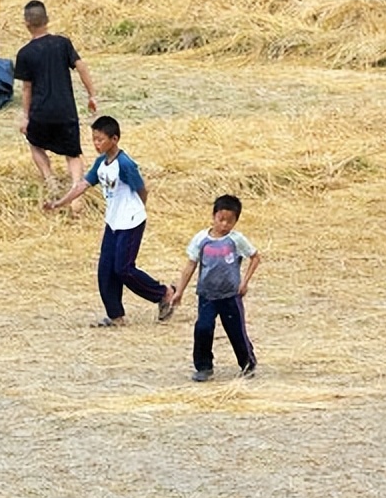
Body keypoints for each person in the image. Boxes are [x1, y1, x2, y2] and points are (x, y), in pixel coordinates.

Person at [45, 116, 177, 327]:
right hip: (113, 222)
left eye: (100, 140)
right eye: (94, 139)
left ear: (114, 139)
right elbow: (82, 185)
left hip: (131, 221)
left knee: (123, 268)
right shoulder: (101, 163)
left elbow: (142, 189)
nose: (96, 144)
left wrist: (137, 209)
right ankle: (115, 316)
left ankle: (163, 293)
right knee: (106, 269)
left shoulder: (124, 164)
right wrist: (59, 203)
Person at [13, 0, 98, 211]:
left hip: (40, 112)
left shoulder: (25, 53)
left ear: (26, 24)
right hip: (65, 111)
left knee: (34, 143)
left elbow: (26, 89)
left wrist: (26, 115)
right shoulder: (63, 43)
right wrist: (92, 95)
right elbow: (81, 67)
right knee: (73, 153)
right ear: (47, 20)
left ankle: (50, 182)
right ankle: (77, 192)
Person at [171, 194, 262, 382]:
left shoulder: (236, 240)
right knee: (203, 328)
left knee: (236, 331)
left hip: (230, 296)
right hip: (207, 295)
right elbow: (190, 265)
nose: (224, 225)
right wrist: (179, 291)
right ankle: (203, 366)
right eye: (221, 219)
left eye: (230, 221)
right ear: (213, 216)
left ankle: (247, 363)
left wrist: (244, 282)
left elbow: (255, 257)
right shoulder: (201, 240)